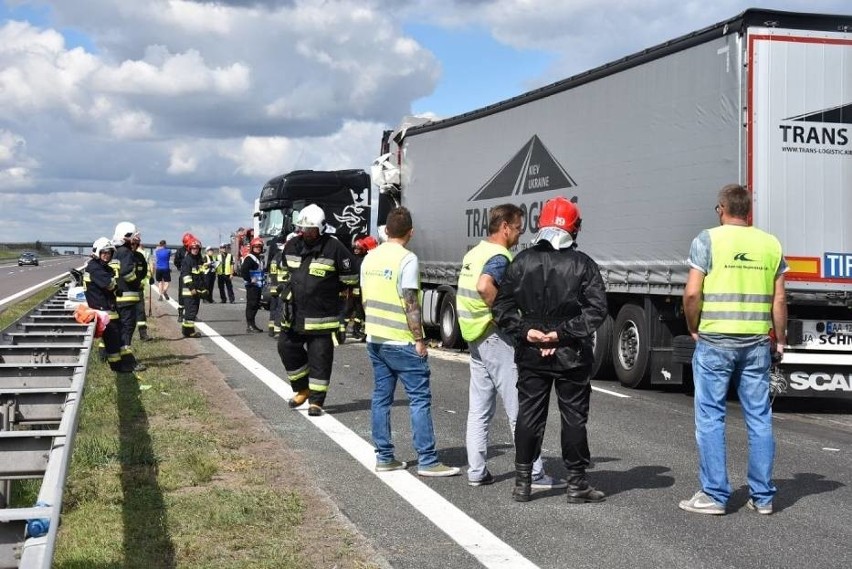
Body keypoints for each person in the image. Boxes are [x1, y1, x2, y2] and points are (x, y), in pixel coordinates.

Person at [679, 183, 787, 516]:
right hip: (756, 342)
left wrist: (692, 327)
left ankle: (714, 494)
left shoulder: (708, 239)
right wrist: (779, 339)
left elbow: (692, 294)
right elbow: (780, 299)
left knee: (711, 417)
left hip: (715, 341)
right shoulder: (771, 244)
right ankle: (763, 497)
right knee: (759, 418)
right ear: (748, 212)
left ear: (721, 209)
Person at [492, 196, 607, 503]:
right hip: (572, 353)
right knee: (573, 417)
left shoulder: (521, 261)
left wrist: (526, 331)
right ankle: (576, 484)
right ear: (575, 227)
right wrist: (560, 334)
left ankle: (522, 483)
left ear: (540, 224)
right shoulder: (583, 264)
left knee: (529, 415)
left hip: (530, 349)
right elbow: (596, 311)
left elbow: (501, 306)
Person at [457, 204, 567, 490]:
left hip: (475, 336)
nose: (519, 235)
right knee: (521, 407)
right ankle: (534, 472)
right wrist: (508, 320)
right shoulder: (499, 256)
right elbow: (485, 286)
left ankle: (477, 471)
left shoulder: (473, 252)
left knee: (479, 409)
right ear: (505, 226)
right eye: (518, 228)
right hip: (495, 336)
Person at [360, 206, 460, 477]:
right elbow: (411, 303)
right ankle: (427, 460)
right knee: (419, 399)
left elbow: (364, 298)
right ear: (410, 232)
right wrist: (420, 339)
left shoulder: (369, 259)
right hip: (401, 340)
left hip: (375, 338)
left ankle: (385, 457)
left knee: (381, 398)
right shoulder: (407, 259)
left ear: (387, 230)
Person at [276, 204, 359, 417]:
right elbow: (283, 271)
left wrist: (329, 292)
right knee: (286, 347)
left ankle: (317, 401)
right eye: (303, 229)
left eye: (311, 229)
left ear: (321, 228)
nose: (307, 233)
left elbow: (350, 277)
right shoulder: (293, 245)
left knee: (319, 358)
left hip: (322, 315)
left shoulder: (334, 247)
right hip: (293, 313)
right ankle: (302, 388)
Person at [84, 237, 138, 373]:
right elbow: (108, 284)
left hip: (107, 308)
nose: (107, 255)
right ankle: (118, 368)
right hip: (103, 310)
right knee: (113, 340)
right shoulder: (95, 268)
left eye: (109, 253)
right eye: (104, 253)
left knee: (116, 337)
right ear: (97, 252)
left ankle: (119, 365)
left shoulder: (99, 266)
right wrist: (115, 287)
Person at [111, 221, 146, 372]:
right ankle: (128, 361)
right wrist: (137, 283)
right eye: (133, 236)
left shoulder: (115, 251)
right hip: (127, 298)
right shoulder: (126, 253)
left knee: (121, 329)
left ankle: (119, 357)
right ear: (126, 236)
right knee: (127, 329)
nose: (135, 239)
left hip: (118, 298)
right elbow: (127, 273)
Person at [344, 235, 378, 341]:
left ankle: (356, 329)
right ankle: (355, 329)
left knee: (357, 310)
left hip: (358, 288)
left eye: (359, 249)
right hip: (357, 288)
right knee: (356, 309)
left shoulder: (362, 259)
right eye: (355, 248)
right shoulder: (361, 260)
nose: (356, 250)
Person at [180, 239, 207, 338]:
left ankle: (186, 329)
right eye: (193, 248)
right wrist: (191, 288)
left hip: (196, 291)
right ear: (190, 249)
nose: (195, 250)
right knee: (191, 312)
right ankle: (189, 332)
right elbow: (186, 275)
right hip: (189, 291)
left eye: (197, 248)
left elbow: (200, 276)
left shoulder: (199, 260)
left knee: (193, 311)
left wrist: (204, 289)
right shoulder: (188, 260)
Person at [241, 237, 266, 333]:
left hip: (258, 285)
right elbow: (243, 270)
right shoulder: (250, 258)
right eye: (256, 247)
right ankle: (250, 325)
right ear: (252, 247)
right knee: (251, 305)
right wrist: (250, 279)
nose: (258, 248)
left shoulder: (258, 258)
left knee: (256, 305)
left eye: (260, 247)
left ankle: (252, 324)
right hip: (252, 286)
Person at [130, 235, 152, 341]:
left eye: (136, 244)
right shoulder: (123, 255)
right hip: (125, 290)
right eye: (132, 244)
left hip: (138, 289)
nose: (134, 246)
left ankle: (143, 334)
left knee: (141, 312)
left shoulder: (140, 256)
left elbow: (144, 271)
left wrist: (142, 282)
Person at [174, 232, 195, 322]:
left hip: (194, 276)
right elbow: (176, 261)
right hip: (183, 276)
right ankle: (180, 314)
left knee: (193, 296)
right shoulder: (180, 251)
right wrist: (181, 268)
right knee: (182, 295)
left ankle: (191, 314)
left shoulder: (194, 250)